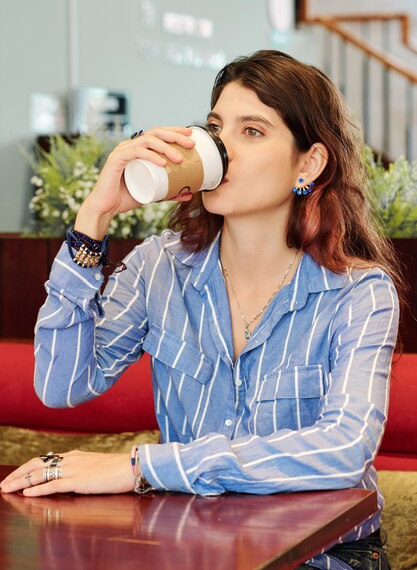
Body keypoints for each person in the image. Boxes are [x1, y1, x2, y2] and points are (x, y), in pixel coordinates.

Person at [1, 50, 400, 569]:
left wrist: (141, 467)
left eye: (252, 131)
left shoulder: (359, 293)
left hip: (323, 558)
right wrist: (92, 219)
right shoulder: (159, 266)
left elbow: (344, 449)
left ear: (309, 163)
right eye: (215, 127)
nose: (220, 148)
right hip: (192, 551)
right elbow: (61, 385)